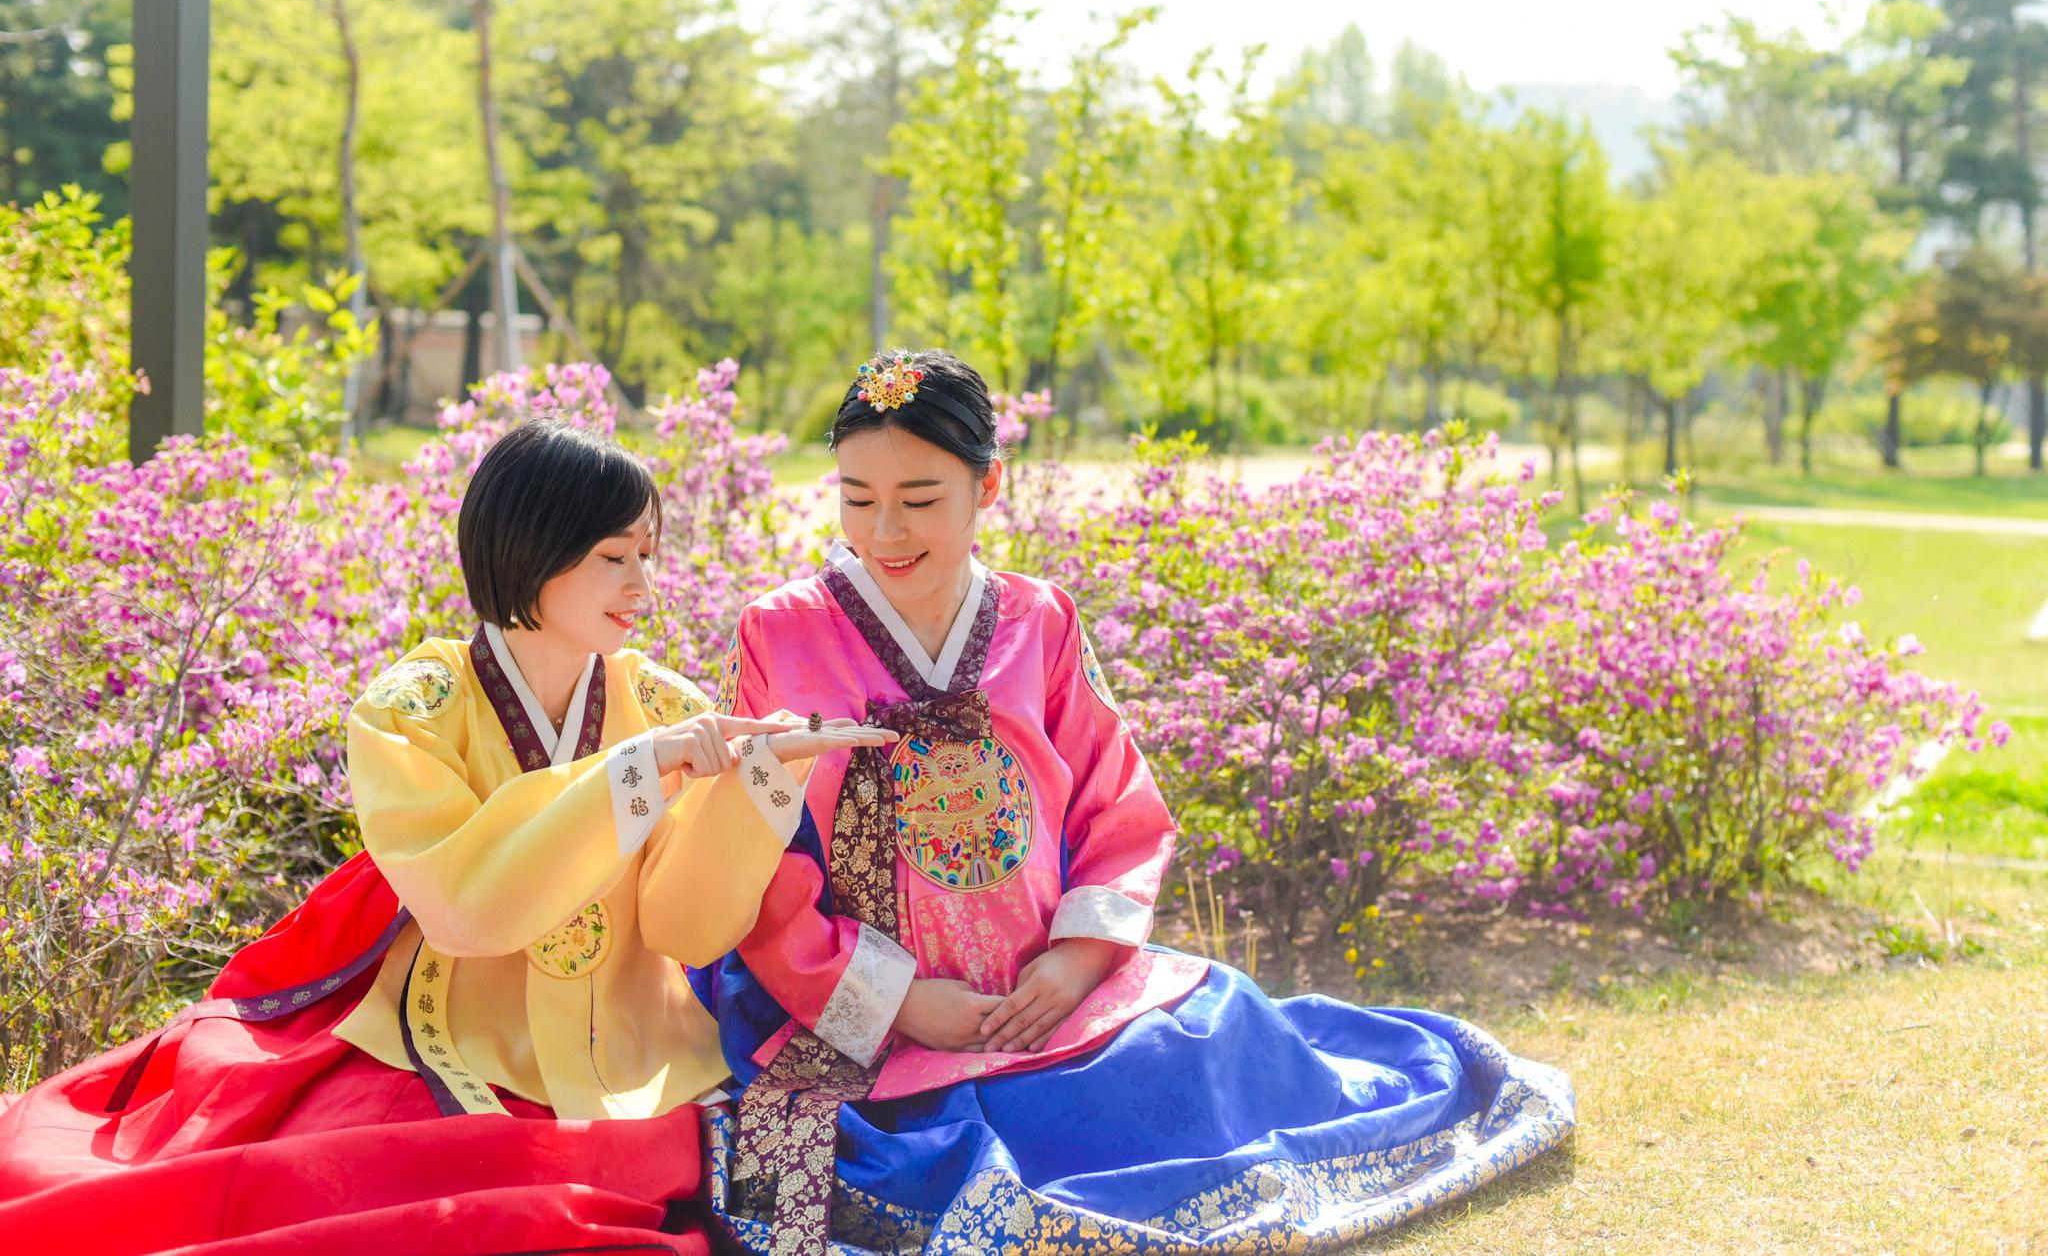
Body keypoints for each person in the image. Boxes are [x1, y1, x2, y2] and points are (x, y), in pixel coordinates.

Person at [693, 352, 1575, 1254]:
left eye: (920, 499)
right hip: (871, 1010)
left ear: (988, 484)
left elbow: (1118, 805)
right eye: (856, 497)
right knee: (919, 1142)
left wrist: (1075, 964)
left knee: (1197, 1047)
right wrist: (900, 1001)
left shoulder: (1041, 620)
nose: (885, 530)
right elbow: (761, 864)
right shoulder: (780, 631)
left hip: (1048, 985)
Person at [0, 418, 895, 1255]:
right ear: (532, 553)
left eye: (647, 556)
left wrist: (762, 781)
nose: (643, 587)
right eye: (614, 557)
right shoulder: (413, 708)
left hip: (635, 1046)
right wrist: (638, 767)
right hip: (453, 1033)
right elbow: (466, 903)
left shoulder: (662, 701)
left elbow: (682, 929)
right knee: (375, 1199)